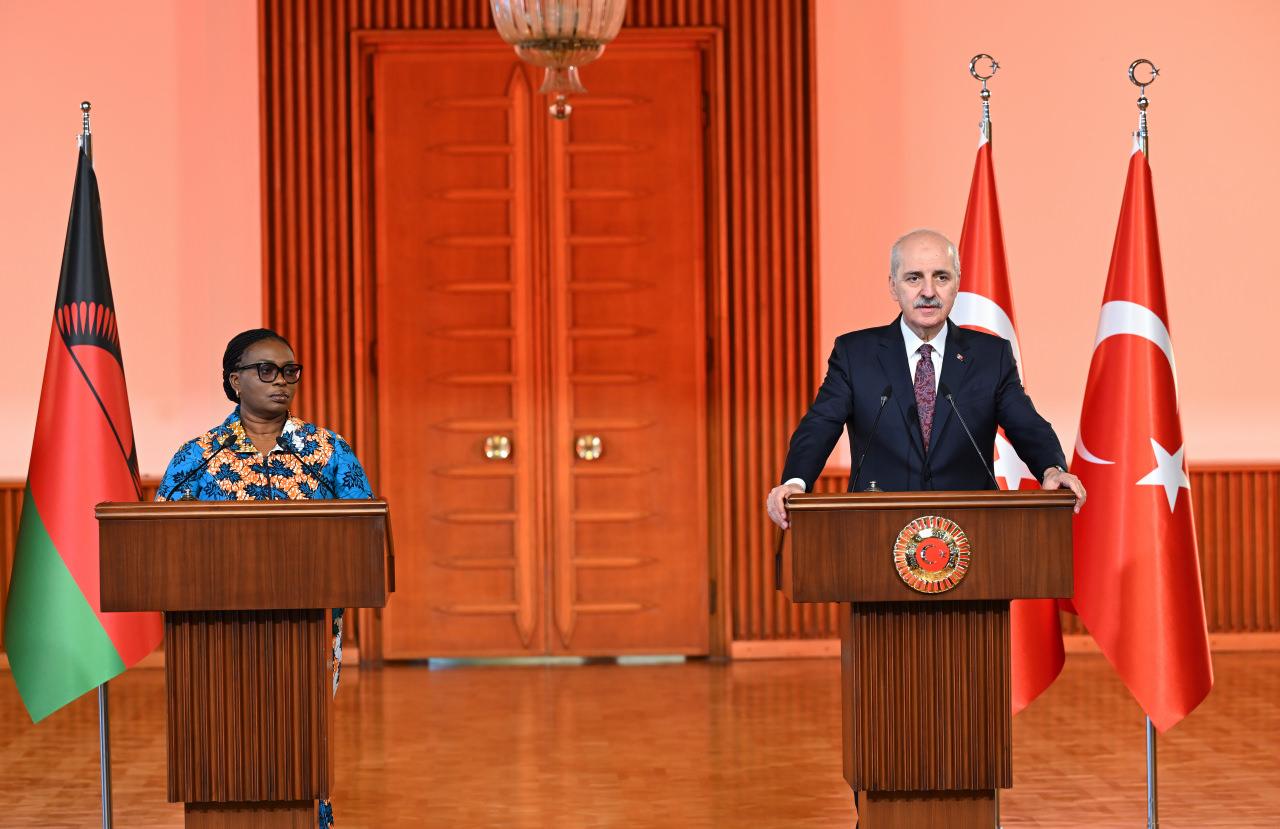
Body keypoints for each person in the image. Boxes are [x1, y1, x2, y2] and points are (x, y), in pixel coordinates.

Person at [156, 327, 371, 829]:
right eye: (266, 371)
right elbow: (160, 538)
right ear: (234, 381)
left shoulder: (327, 451)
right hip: (212, 636)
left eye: (290, 371)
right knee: (222, 738)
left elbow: (364, 530)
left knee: (301, 738)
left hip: (307, 627)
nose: (282, 382)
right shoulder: (198, 456)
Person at [766, 229, 1085, 529]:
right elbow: (820, 425)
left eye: (941, 277)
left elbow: (1026, 424)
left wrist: (1052, 468)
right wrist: (796, 481)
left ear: (957, 283)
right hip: (877, 534)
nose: (928, 291)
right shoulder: (855, 354)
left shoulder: (991, 356)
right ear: (893, 285)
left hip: (972, 536)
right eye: (914, 278)